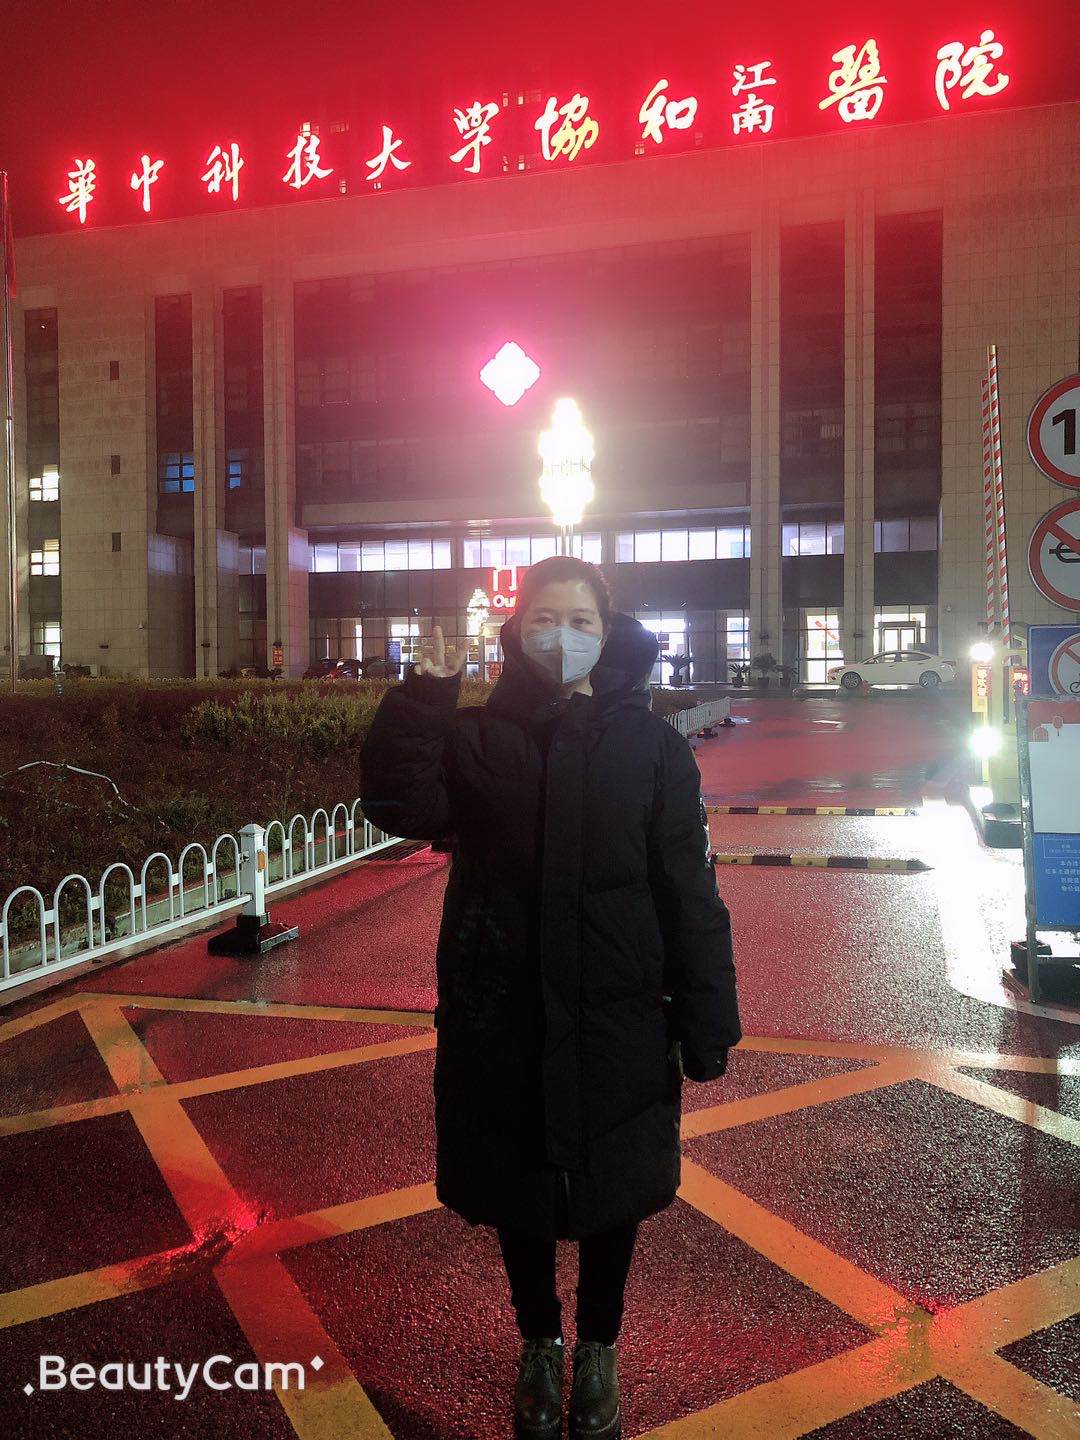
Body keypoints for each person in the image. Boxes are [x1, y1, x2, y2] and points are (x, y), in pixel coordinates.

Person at [359, 555, 741, 1440]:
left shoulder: (653, 747)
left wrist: (706, 1012)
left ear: (607, 633)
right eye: (542, 619)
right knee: (518, 1184)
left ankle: (599, 1346)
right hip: (503, 1003)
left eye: (579, 620)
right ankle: (540, 1341)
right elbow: (398, 802)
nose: (560, 635)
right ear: (516, 630)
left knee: (615, 1184)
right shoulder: (478, 737)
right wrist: (425, 693)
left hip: (620, 1003)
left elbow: (688, 887)